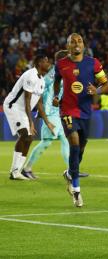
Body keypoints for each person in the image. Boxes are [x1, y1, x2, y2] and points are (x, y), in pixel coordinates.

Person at [54, 33, 108, 207]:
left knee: (82, 146)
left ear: (83, 45)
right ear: (68, 45)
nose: (76, 43)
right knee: (74, 143)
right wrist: (57, 96)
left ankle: (71, 173)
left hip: (85, 112)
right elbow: (57, 82)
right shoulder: (61, 64)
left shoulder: (93, 63)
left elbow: (106, 84)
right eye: (73, 41)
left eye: (79, 41)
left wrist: (97, 90)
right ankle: (77, 191)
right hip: (67, 111)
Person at [4, 55, 55, 180]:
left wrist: (47, 122)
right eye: (45, 61)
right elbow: (27, 101)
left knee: (30, 138)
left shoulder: (42, 80)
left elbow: (39, 104)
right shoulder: (30, 75)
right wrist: (31, 123)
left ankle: (16, 172)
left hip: (23, 110)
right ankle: (15, 172)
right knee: (25, 135)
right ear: (38, 63)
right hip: (14, 106)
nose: (48, 63)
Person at [22, 51, 70, 179]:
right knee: (46, 142)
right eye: (69, 58)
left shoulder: (62, 73)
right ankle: (26, 168)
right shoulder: (53, 73)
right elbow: (41, 88)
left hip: (56, 112)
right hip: (49, 112)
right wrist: (43, 109)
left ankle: (71, 170)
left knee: (65, 139)